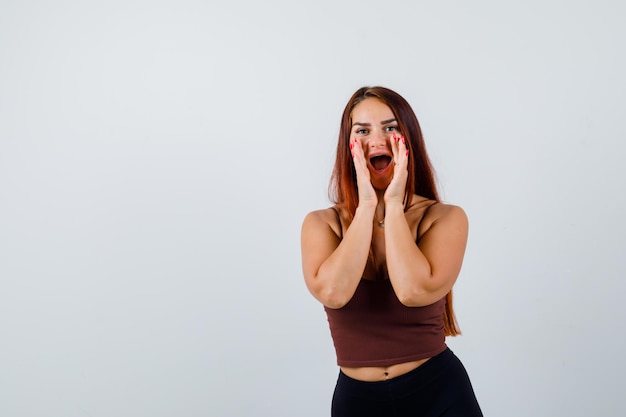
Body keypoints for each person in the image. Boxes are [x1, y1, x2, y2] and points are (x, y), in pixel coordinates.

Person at [300, 86, 483, 416]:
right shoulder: (322, 224)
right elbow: (333, 292)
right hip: (358, 402)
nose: (377, 139)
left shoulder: (444, 218)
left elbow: (413, 291)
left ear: (408, 138)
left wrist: (395, 204)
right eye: (363, 131)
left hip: (439, 393)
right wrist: (367, 204)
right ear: (349, 145)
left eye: (390, 127)